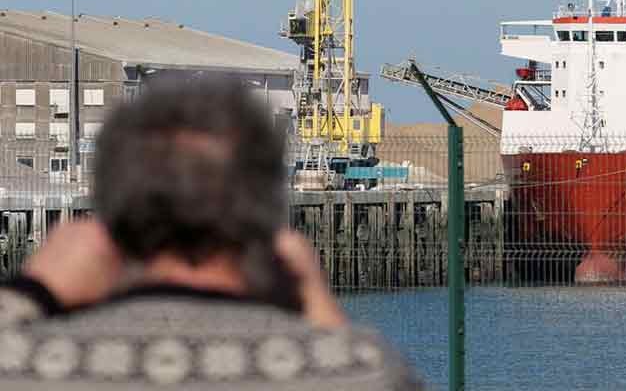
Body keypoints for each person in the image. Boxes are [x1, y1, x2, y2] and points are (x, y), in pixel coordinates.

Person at [0, 77, 422, 390]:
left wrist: (34, 289)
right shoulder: (361, 371)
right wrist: (315, 299)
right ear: (267, 215)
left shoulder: (30, 365)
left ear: (108, 218)